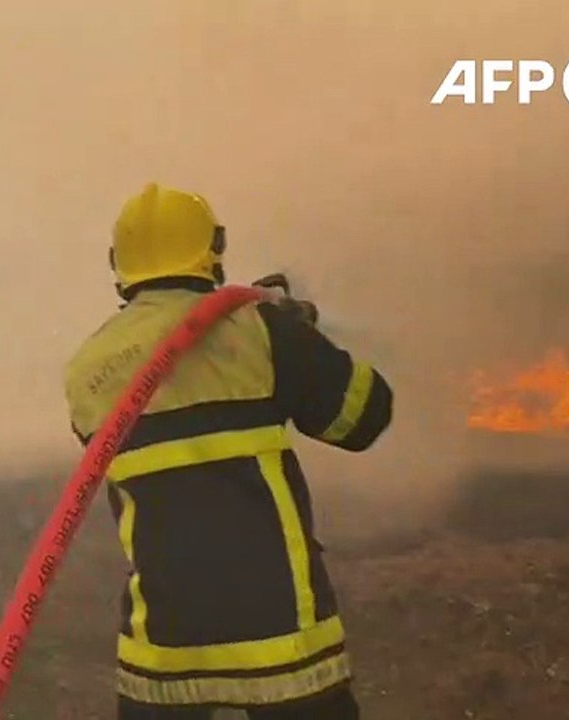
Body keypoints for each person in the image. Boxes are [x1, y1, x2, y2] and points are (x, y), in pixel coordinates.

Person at [63, 183, 394, 720]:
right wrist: (302, 340)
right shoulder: (263, 331)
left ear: (118, 263)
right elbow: (363, 418)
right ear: (212, 250)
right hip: (283, 642)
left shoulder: (87, 367)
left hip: (163, 653)